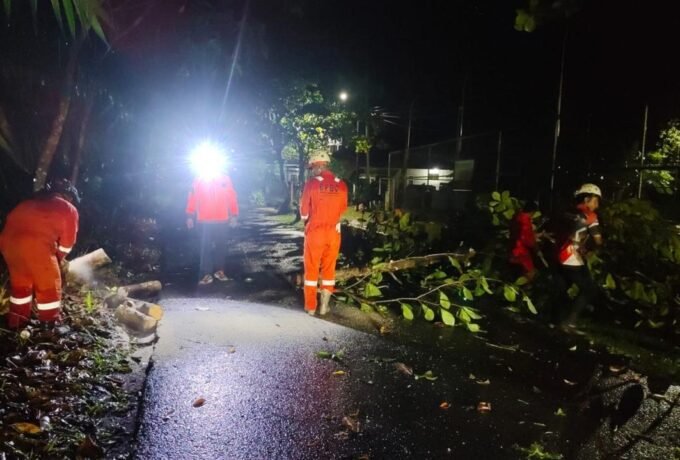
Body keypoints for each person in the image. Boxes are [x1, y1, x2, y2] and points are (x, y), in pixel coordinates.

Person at [0, 179, 80, 329]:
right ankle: (50, 325)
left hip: (8, 246)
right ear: (68, 195)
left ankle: (17, 322)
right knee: (49, 287)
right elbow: (67, 243)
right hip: (35, 246)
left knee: (21, 285)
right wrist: (57, 259)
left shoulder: (27, 203)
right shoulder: (68, 208)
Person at [300, 149, 348, 316]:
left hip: (316, 232)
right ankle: (324, 306)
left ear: (317, 166)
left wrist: (307, 220)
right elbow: (343, 209)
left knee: (312, 269)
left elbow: (304, 212)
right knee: (329, 269)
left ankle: (311, 307)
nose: (312, 171)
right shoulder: (341, 184)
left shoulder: (311, 184)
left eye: (312, 168)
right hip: (334, 233)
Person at [556, 183, 603, 329]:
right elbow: (598, 240)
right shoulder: (590, 216)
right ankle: (569, 322)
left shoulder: (565, 212)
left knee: (561, 287)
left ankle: (556, 319)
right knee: (589, 289)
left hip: (557, 255)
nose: (597, 205)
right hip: (572, 258)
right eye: (595, 201)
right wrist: (591, 248)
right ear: (586, 199)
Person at [186, 171, 239, 285]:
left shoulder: (225, 179)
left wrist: (234, 214)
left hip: (222, 218)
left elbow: (231, 197)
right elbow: (193, 197)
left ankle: (219, 271)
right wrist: (190, 215)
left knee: (221, 246)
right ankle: (206, 274)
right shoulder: (199, 179)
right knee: (205, 247)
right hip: (204, 219)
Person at [509, 200, 539, 281]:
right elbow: (527, 240)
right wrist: (535, 247)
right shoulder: (525, 220)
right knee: (530, 273)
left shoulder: (516, 216)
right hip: (520, 252)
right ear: (533, 211)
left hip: (512, 248)